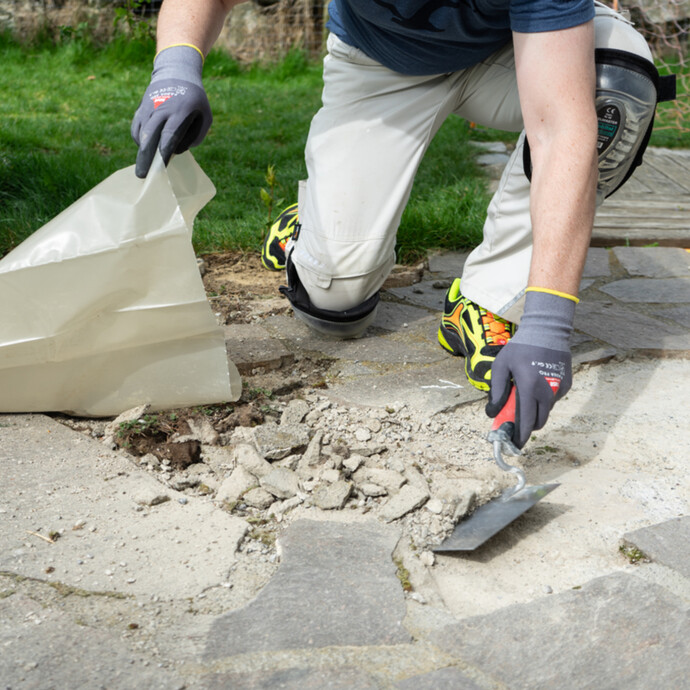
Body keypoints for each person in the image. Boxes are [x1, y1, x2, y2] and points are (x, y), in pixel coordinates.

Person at [132, 0, 672, 449]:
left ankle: (492, 301)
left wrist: (549, 322)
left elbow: (561, 128)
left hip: (517, 52)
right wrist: (176, 66)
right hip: (381, 60)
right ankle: (313, 231)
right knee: (334, 300)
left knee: (616, 83)